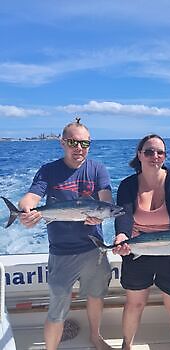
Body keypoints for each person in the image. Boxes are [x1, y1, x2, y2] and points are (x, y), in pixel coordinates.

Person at [18, 119, 113, 350]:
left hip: (94, 250)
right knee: (57, 306)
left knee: (96, 296)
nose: (79, 147)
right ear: (63, 143)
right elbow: (31, 197)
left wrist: (100, 215)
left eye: (84, 143)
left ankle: (95, 337)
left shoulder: (97, 168)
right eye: (73, 142)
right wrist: (26, 210)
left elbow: (107, 201)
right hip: (61, 252)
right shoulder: (48, 170)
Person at [113, 134, 170, 350]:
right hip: (138, 246)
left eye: (160, 152)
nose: (155, 156)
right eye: (149, 151)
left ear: (165, 156)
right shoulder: (127, 184)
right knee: (135, 303)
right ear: (139, 155)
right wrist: (122, 235)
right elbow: (123, 215)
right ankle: (127, 346)